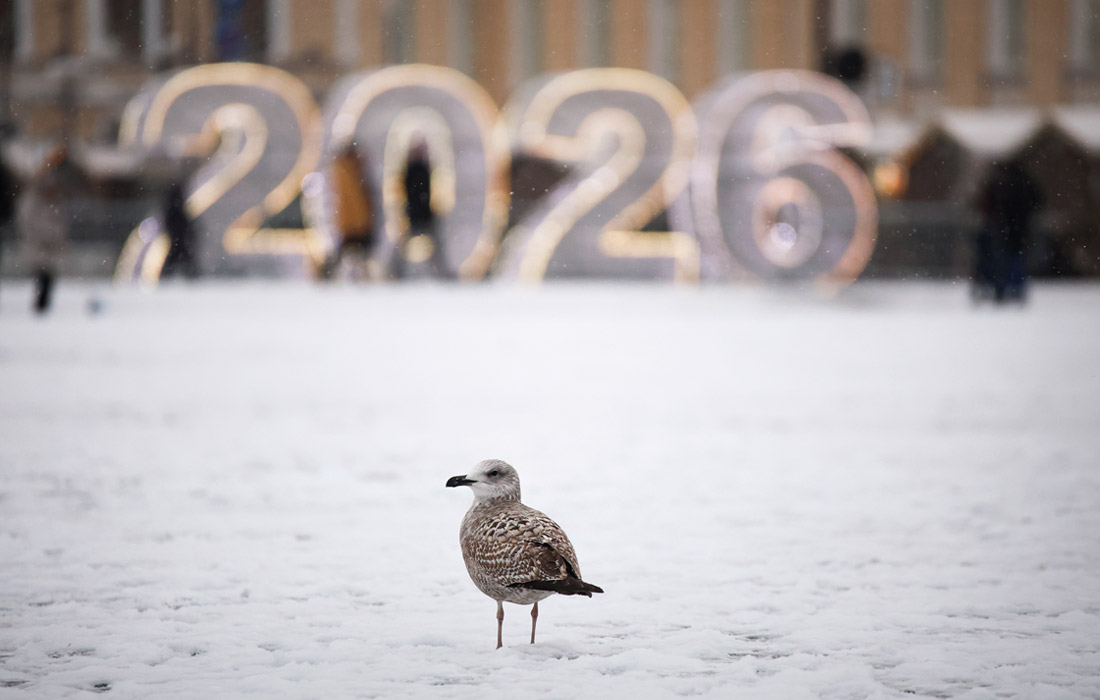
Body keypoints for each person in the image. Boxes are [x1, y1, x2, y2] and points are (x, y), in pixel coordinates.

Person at [973, 160, 1043, 303]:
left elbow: (985, 203)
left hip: (1000, 227)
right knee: (1015, 257)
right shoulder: (1025, 182)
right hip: (1018, 227)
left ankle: (998, 287)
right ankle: (1013, 288)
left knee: (997, 258)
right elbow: (1038, 200)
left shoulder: (999, 182)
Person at [18, 146, 70, 314]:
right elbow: (30, 220)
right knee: (43, 275)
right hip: (40, 244)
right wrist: (48, 234)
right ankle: (40, 308)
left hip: (49, 245)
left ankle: (42, 307)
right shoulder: (35, 199)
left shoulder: (49, 201)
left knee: (47, 276)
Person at [323, 143, 374, 279]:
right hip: (352, 226)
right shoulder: (349, 169)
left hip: (350, 225)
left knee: (348, 261)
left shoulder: (346, 169)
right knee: (353, 260)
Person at [160, 179, 200, 279]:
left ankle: (165, 278)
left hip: (177, 238)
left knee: (177, 258)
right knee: (183, 258)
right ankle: (193, 277)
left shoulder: (172, 207)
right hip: (179, 238)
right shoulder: (178, 207)